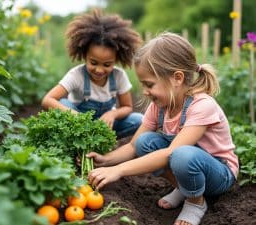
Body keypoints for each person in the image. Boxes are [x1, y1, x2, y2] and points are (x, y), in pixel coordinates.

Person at [87, 32, 239, 225]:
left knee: (182, 155)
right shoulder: (159, 106)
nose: (144, 91)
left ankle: (195, 202)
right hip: (190, 163)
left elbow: (171, 153)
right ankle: (184, 188)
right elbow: (134, 146)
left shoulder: (202, 105)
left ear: (177, 78)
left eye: (149, 84)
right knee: (144, 142)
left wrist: (119, 170)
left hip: (219, 173)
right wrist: (106, 160)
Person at [41, 9, 143, 139]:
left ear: (116, 60)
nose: (99, 70)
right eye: (93, 63)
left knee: (139, 120)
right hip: (77, 125)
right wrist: (75, 115)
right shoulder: (76, 75)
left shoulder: (119, 76)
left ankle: (104, 139)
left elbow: (127, 107)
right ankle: (80, 140)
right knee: (63, 103)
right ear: (84, 55)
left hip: (107, 125)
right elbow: (47, 100)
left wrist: (113, 114)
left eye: (107, 64)